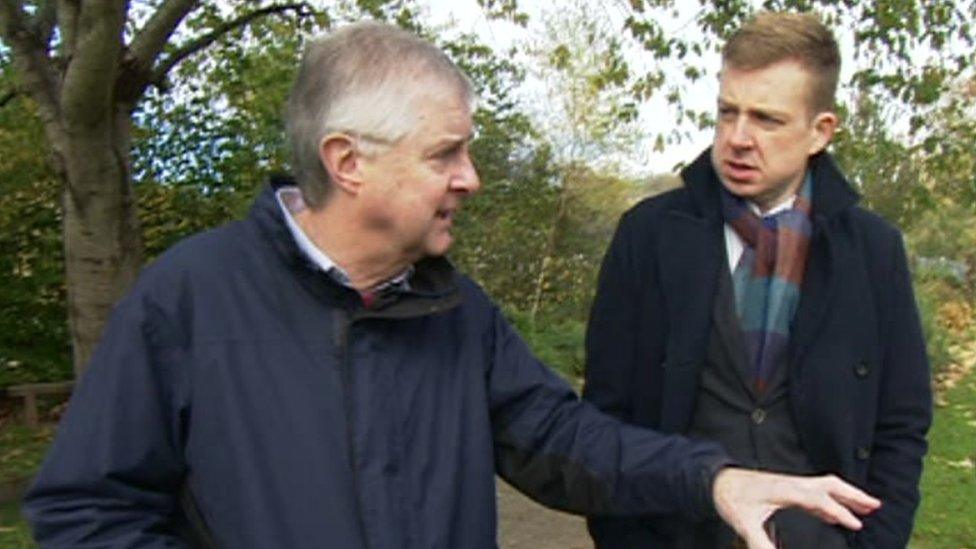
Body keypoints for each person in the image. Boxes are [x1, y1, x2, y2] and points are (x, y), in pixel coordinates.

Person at [25, 21, 879, 549]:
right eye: (445, 154)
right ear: (347, 161)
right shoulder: (189, 300)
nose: (470, 178)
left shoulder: (457, 314)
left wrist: (713, 477)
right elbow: (87, 509)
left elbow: (568, 441)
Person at [583, 11, 931, 549]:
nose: (738, 139)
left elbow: (901, 420)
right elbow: (607, 413)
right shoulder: (649, 236)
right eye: (727, 113)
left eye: (766, 120)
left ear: (821, 132)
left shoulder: (872, 251)